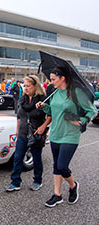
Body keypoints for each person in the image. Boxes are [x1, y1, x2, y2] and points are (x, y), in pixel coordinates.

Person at [36, 67, 97, 208]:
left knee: (62, 166)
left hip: (70, 135)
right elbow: (53, 111)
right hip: (55, 133)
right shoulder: (55, 92)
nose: (51, 82)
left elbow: (92, 110)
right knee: (56, 166)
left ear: (62, 78)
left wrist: (82, 120)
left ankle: (73, 185)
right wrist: (44, 106)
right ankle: (57, 195)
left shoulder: (76, 92)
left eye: (53, 79)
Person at [5, 75, 51, 192]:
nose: (25, 88)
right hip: (23, 133)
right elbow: (19, 117)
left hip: (36, 133)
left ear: (35, 86)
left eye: (28, 86)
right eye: (24, 86)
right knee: (18, 157)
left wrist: (43, 127)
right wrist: (17, 131)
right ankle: (15, 182)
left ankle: (38, 181)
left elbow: (50, 116)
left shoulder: (43, 99)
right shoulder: (22, 99)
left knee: (36, 158)